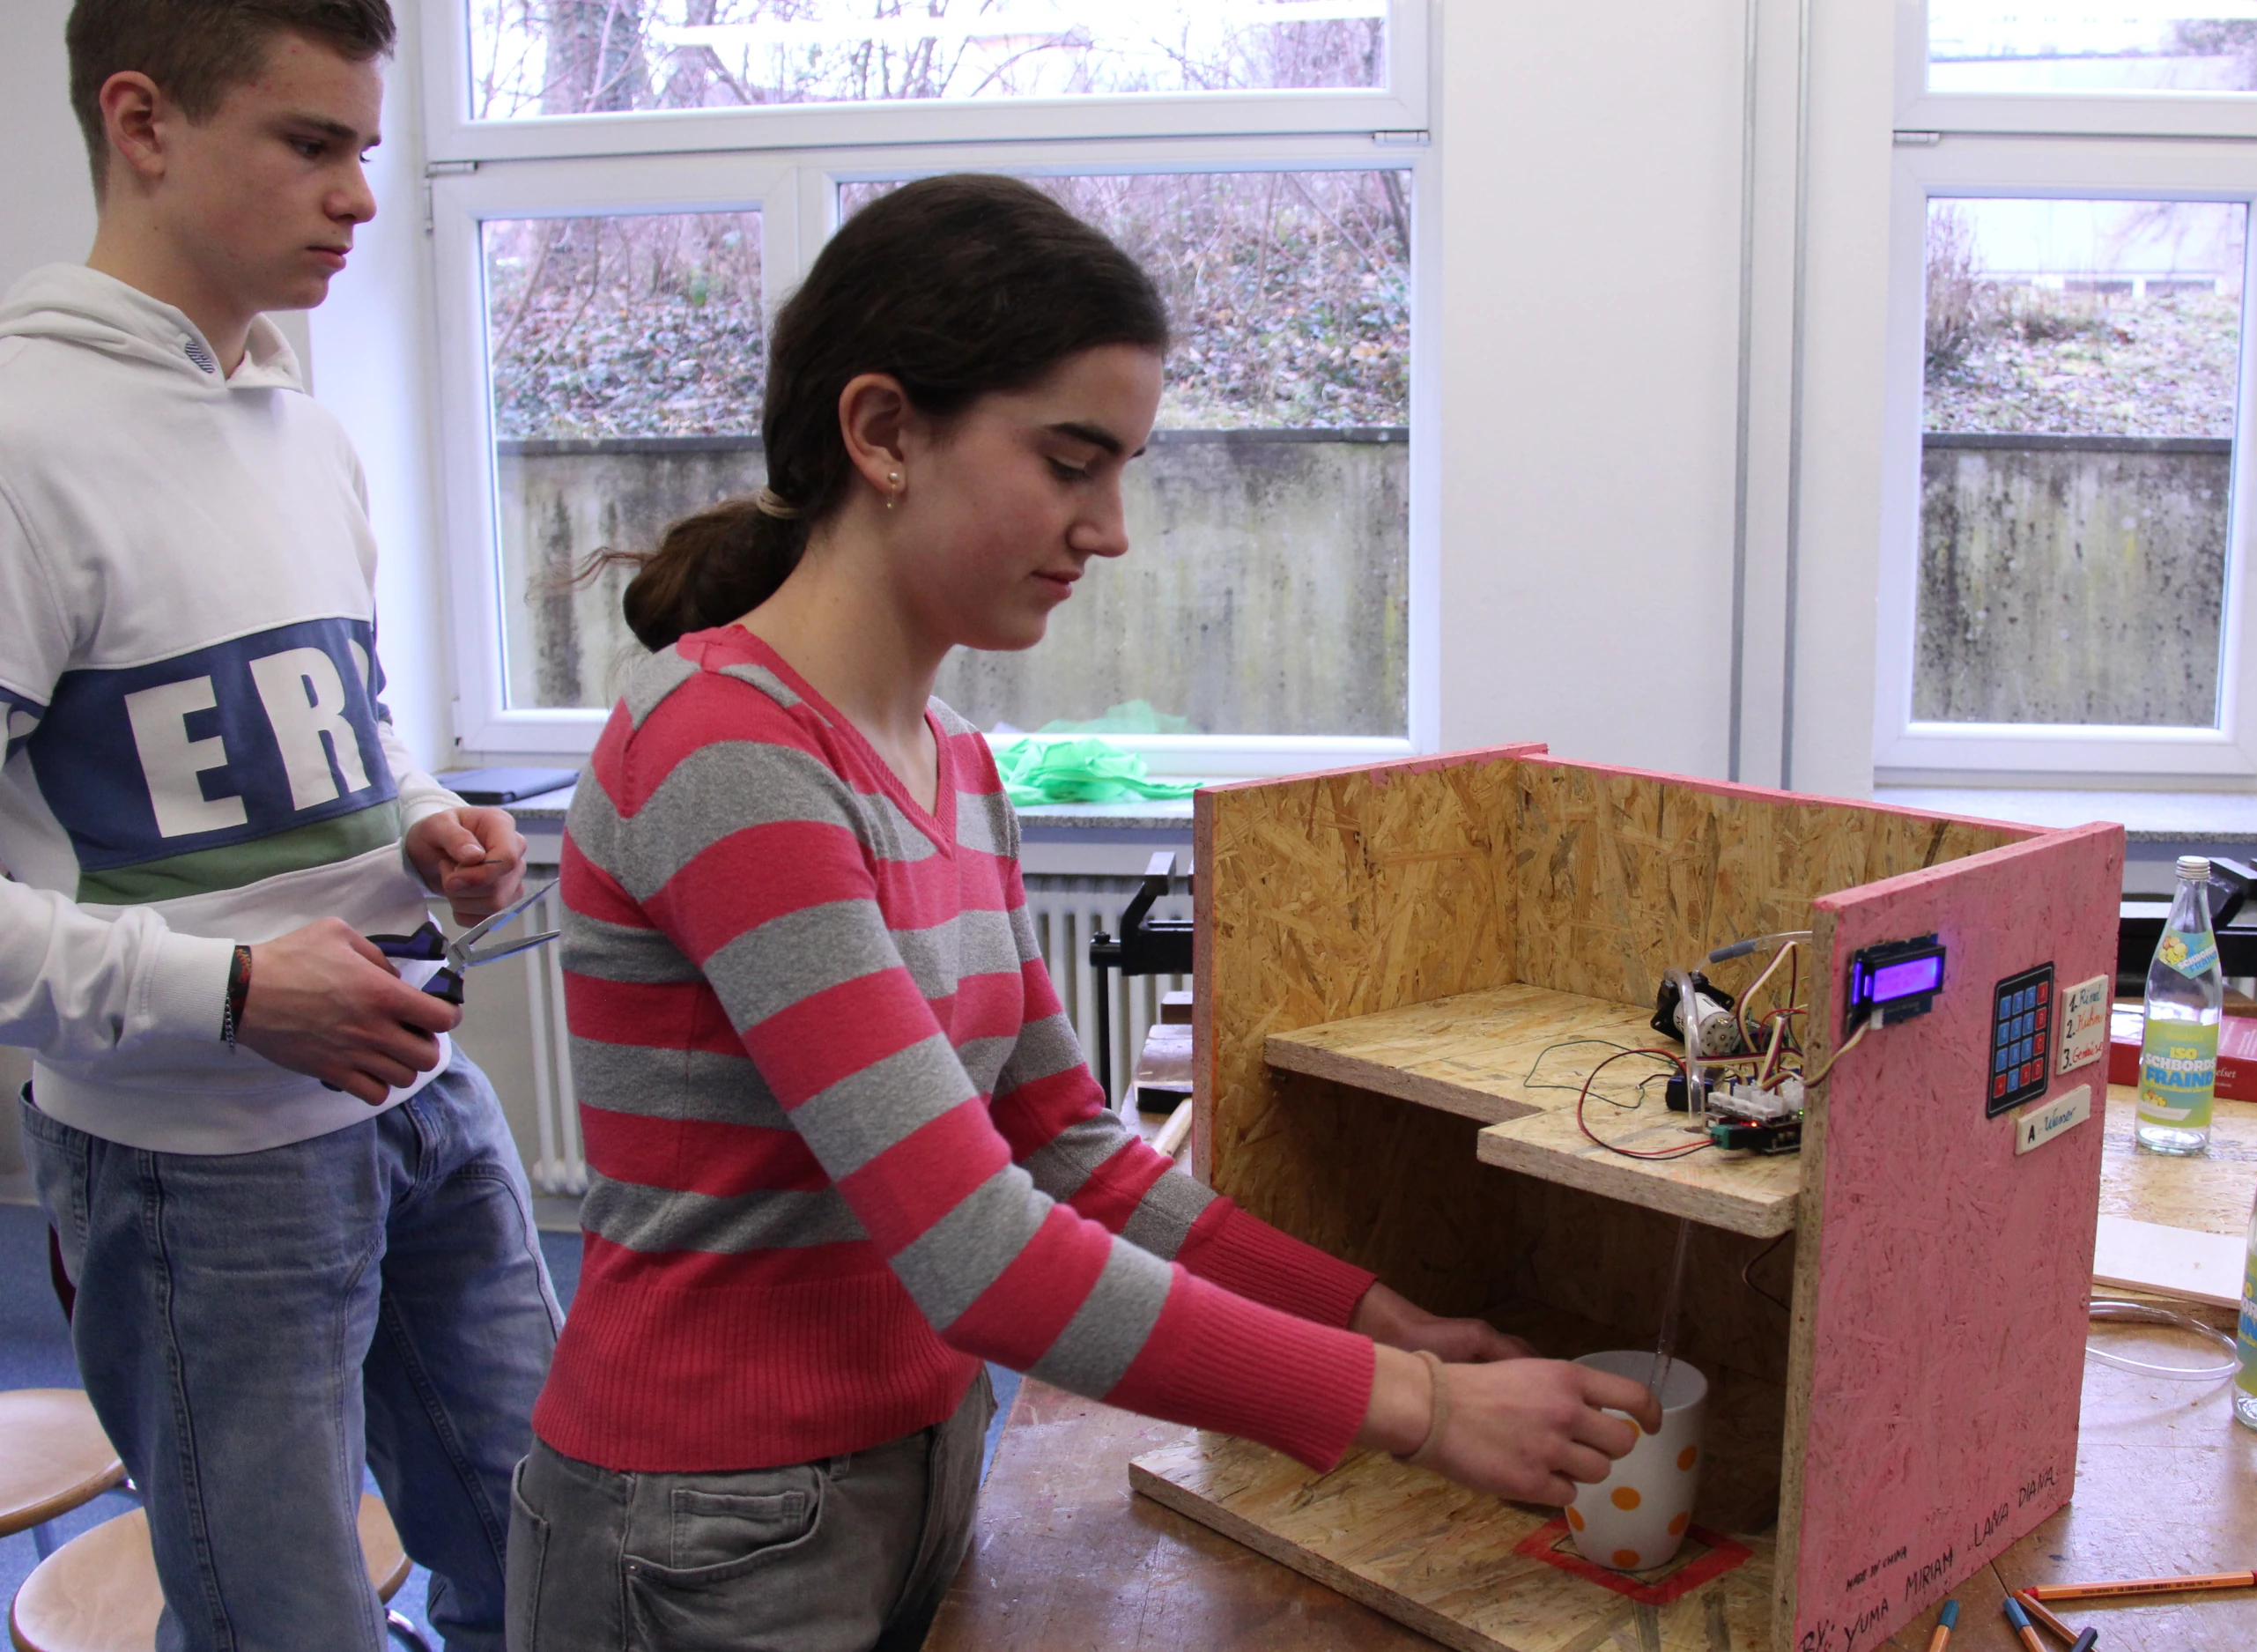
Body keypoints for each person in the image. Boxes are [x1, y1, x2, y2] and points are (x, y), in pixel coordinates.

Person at [505, 174, 1660, 1651]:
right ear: (883, 432)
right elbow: (978, 1247)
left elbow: (1072, 1152)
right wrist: (1423, 1410)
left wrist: (1374, 1318)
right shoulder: (729, 753)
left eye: (1122, 472)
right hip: (707, 1523)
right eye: (1069, 462)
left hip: (905, 1464)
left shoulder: (954, 759)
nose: (1108, 530)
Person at [0, 4, 562, 1648]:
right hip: (196, 1171)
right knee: (282, 1623)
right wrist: (237, 995)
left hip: (422, 1105)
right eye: (310, 145)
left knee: (548, 1545)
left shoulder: (303, 428)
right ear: (143, 122)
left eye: (369, 151)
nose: (362, 199)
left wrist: (430, 814)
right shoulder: (23, 444)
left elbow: (338, 732)